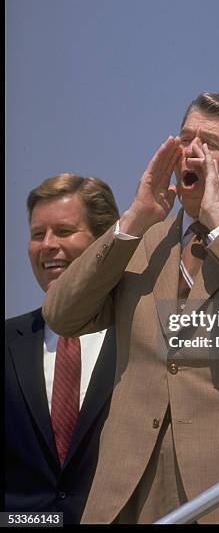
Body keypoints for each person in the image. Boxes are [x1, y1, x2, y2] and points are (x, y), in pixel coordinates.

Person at [43, 92, 219, 524]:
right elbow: (61, 315)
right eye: (186, 137)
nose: (192, 151)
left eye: (210, 144)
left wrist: (218, 221)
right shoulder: (139, 240)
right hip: (129, 489)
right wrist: (136, 217)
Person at [5, 173, 119, 524]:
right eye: (38, 234)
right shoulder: (8, 340)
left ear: (104, 241)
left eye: (64, 232)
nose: (48, 245)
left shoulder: (142, 333)